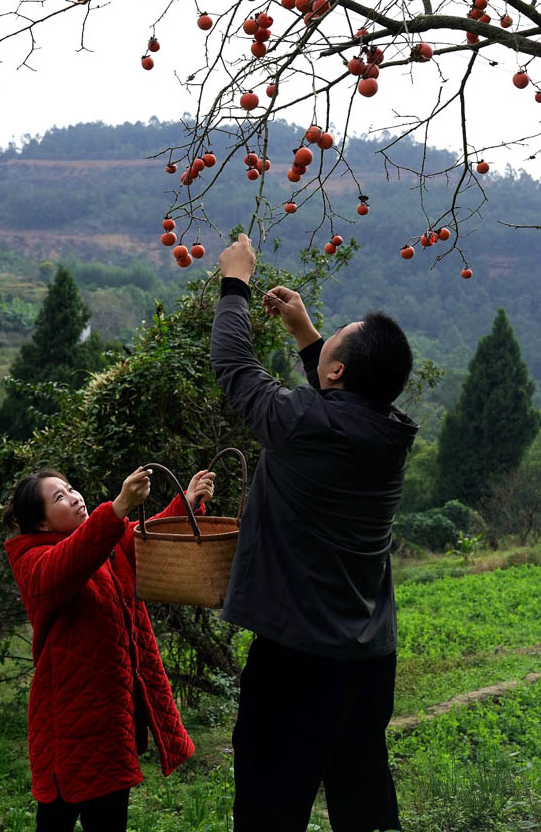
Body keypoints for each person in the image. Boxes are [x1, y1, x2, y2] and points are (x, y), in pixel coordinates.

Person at [210, 233, 418, 832]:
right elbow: (342, 405)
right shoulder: (391, 431)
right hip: (368, 661)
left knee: (269, 810)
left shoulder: (304, 423)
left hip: (297, 662)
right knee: (363, 805)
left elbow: (233, 367)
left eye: (336, 338)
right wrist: (306, 336)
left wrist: (235, 285)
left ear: (336, 371)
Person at [3, 463, 216, 832]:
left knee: (110, 821)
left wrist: (186, 502)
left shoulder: (107, 538)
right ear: (41, 524)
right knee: (56, 819)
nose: (74, 498)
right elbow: (66, 566)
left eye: (71, 489)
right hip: (68, 730)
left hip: (115, 721)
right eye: (60, 497)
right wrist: (117, 508)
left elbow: (150, 537)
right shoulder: (32, 560)